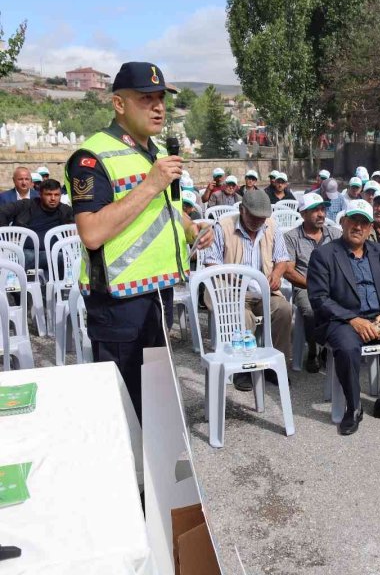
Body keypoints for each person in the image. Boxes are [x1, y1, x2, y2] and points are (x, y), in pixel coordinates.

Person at [64, 61, 212, 421]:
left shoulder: (157, 153)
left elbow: (165, 208)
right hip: (118, 302)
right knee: (122, 407)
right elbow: (92, 232)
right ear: (119, 103)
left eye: (161, 98)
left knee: (153, 402)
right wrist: (150, 184)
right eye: (146, 98)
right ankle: (127, 474)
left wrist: (190, 227)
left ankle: (152, 471)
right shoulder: (91, 157)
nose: (159, 106)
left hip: (158, 294)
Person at [307, 199, 380, 435]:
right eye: (354, 221)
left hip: (378, 317)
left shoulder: (379, 252)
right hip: (342, 320)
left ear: (370, 228)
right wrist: (354, 320)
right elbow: (319, 299)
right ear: (343, 222)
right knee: (348, 347)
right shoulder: (324, 254)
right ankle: (354, 407)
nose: (358, 227)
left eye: (364, 222)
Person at [205, 190, 293, 389]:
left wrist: (276, 275)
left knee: (284, 310)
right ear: (242, 210)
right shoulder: (223, 226)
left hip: (263, 290)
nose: (258, 222)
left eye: (262, 218)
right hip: (231, 291)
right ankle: (241, 369)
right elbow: (211, 264)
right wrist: (232, 277)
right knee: (242, 317)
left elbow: (282, 260)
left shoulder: (271, 226)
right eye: (254, 217)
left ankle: (274, 367)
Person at [283, 192, 342, 373]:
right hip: (305, 286)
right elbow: (288, 270)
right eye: (315, 210)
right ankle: (313, 350)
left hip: (334, 285)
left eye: (322, 209)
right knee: (310, 311)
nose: (321, 214)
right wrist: (313, 285)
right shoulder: (292, 237)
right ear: (302, 214)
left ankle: (331, 347)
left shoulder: (335, 234)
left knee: (351, 302)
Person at [0, 179, 74, 272]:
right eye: (48, 194)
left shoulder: (65, 210)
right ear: (40, 194)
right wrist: (7, 236)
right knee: (23, 257)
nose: (53, 198)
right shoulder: (26, 205)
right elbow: (2, 212)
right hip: (27, 251)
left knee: (66, 258)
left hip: (55, 252)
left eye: (56, 195)